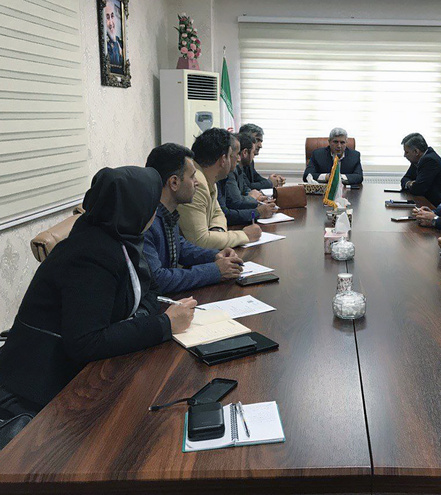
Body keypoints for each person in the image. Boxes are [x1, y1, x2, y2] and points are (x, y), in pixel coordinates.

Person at [0, 167, 196, 435]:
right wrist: (163, 324)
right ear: (136, 210)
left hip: (82, 370)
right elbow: (86, 342)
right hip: (40, 391)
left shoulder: (121, 236)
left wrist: (140, 322)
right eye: (152, 204)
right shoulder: (90, 256)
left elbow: (149, 290)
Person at [144, 143, 245, 294]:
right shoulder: (146, 222)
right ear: (174, 182)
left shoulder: (167, 211)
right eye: (192, 177)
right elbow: (158, 280)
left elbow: (180, 246)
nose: (196, 182)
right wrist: (215, 271)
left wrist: (214, 256)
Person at [177, 128, 262, 250]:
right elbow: (200, 241)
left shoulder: (210, 178)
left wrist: (217, 231)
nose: (238, 159)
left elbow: (218, 214)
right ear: (223, 160)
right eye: (233, 155)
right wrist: (245, 235)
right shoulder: (196, 183)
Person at [218, 133, 276, 226]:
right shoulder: (227, 173)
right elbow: (230, 209)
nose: (239, 159)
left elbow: (246, 188)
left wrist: (258, 202)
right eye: (237, 154)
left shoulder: (239, 168)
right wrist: (257, 211)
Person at [400, 133, 441, 206]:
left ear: (416, 152)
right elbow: (404, 179)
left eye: (407, 152)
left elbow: (418, 189)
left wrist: (412, 184)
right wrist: (410, 183)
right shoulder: (417, 159)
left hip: (436, 205)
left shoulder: (430, 160)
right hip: (425, 201)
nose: (404, 155)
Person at [238, 123, 285, 190]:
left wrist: (275, 181)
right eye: (257, 140)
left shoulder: (250, 160)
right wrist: (270, 183)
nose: (260, 146)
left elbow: (256, 178)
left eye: (261, 141)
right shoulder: (236, 162)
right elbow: (248, 187)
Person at [104, 1, 123, 70]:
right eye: (107, 18)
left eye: (112, 16)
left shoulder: (119, 42)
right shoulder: (106, 46)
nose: (111, 23)